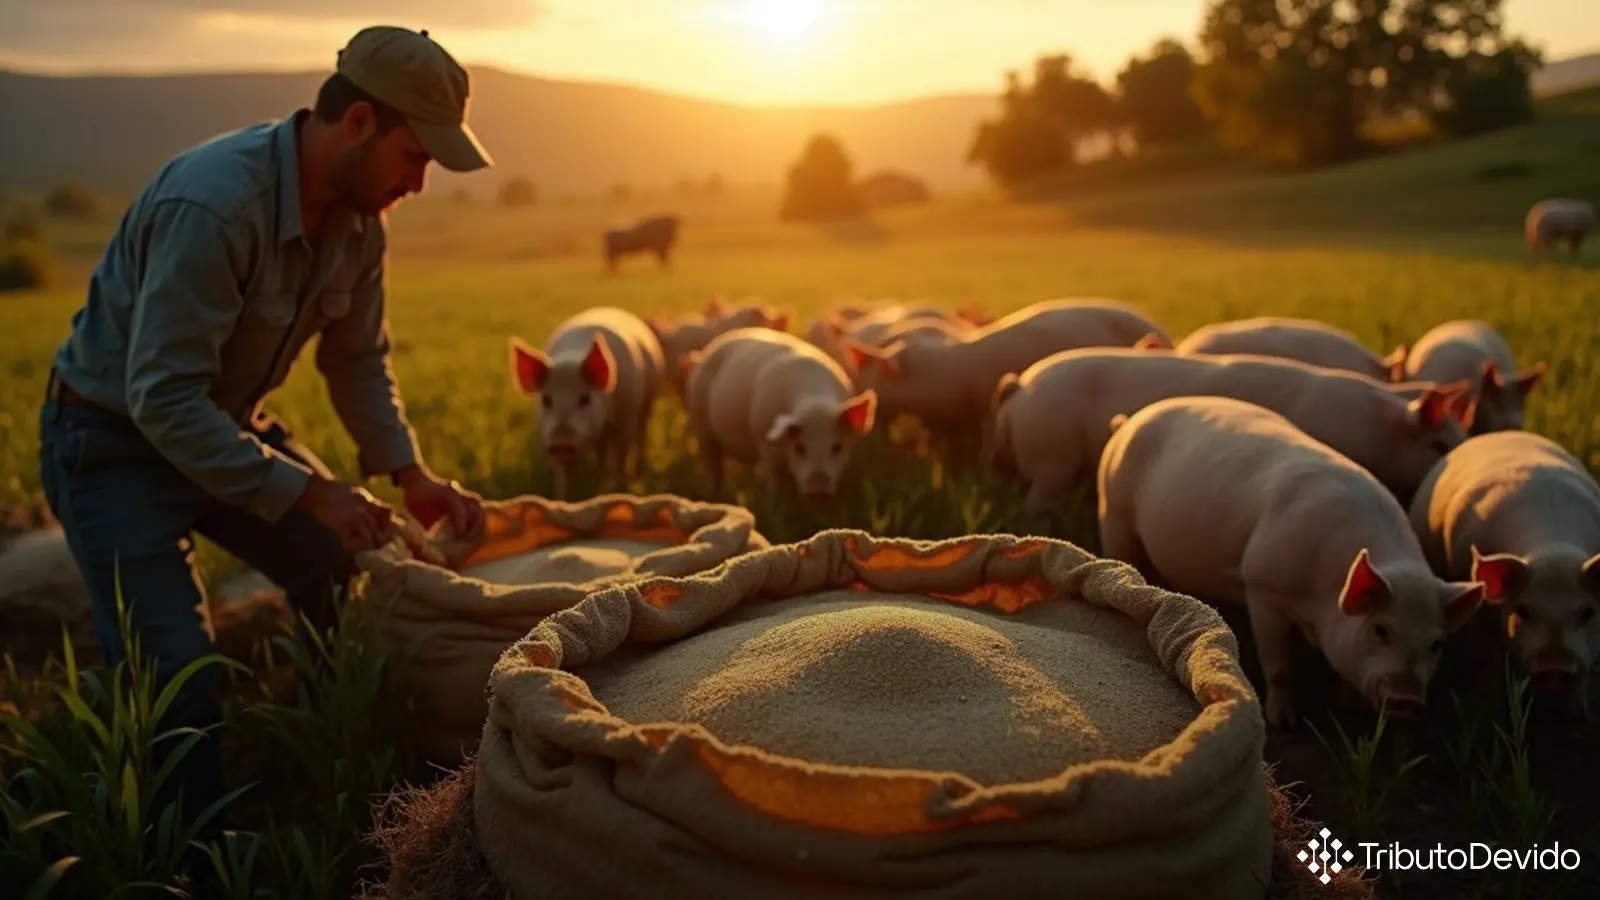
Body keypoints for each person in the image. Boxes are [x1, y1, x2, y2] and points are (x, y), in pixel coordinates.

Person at [35, 24, 491, 829]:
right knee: (178, 675)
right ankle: (191, 855)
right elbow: (161, 400)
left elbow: (356, 359)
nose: (419, 184)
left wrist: (408, 473)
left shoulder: (362, 223)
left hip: (222, 425)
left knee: (342, 558)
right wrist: (310, 490)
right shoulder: (214, 206)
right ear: (357, 123)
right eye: (414, 156)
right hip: (111, 446)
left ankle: (323, 736)